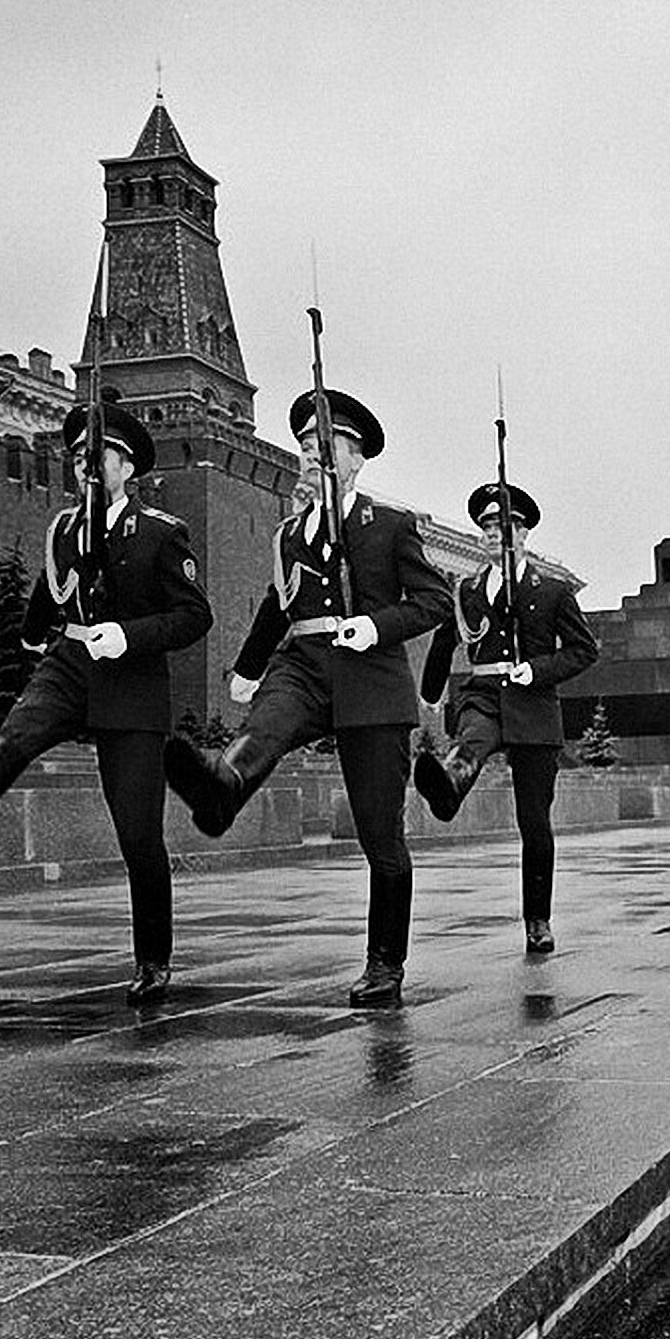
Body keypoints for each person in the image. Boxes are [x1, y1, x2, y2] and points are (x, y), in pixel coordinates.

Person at [0, 402, 213, 1006]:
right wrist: (33, 637)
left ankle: (152, 958)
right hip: (70, 663)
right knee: (18, 732)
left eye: (98, 458)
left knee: (138, 835)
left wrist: (129, 635)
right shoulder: (65, 529)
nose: (86, 468)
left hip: (132, 682)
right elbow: (51, 586)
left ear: (126, 466)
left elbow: (196, 615)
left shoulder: (162, 533)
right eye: (79, 459)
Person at [162, 388, 451, 1009]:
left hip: (371, 677)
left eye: (328, 447)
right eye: (307, 447)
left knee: (382, 836)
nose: (315, 456)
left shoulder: (388, 526)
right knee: (265, 726)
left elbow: (434, 602)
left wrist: (375, 625)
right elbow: (278, 601)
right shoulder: (292, 531)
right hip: (307, 663)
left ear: (356, 460)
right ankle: (223, 784)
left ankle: (384, 963)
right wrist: (247, 666)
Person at [414, 481, 600, 956]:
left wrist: (537, 668)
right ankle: (449, 784)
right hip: (484, 692)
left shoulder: (552, 590)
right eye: (488, 526)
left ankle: (538, 919)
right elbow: (443, 643)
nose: (496, 533)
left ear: (524, 534)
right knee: (471, 739)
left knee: (534, 822)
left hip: (534, 702)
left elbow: (584, 650)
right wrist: (431, 696)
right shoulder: (468, 589)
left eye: (506, 526)